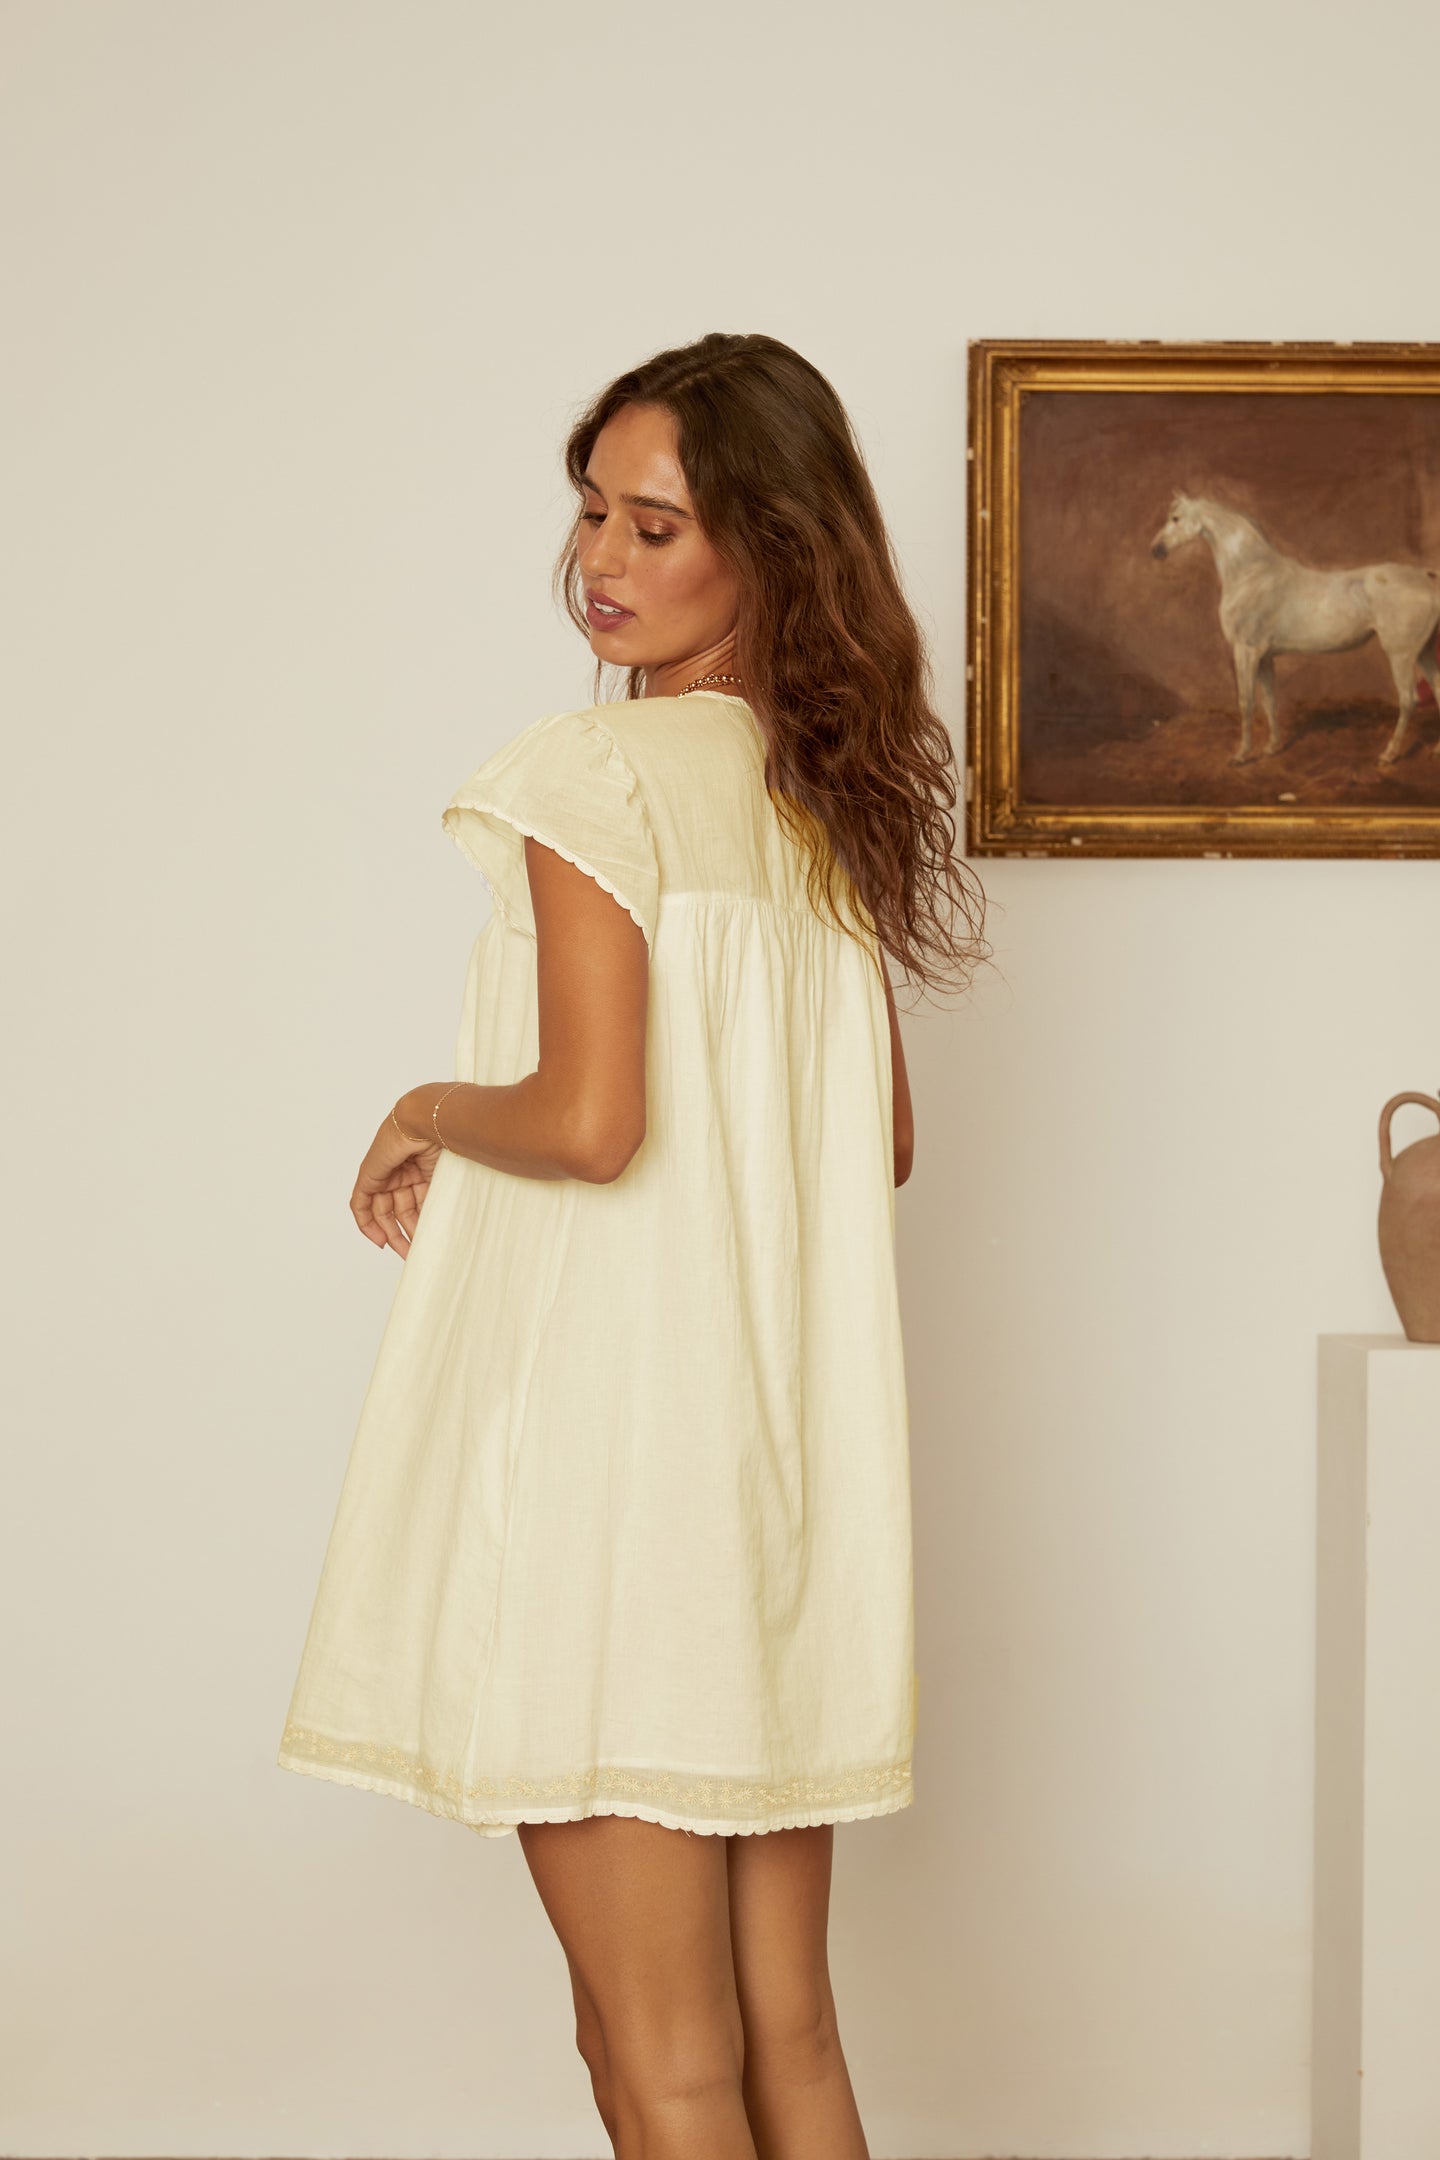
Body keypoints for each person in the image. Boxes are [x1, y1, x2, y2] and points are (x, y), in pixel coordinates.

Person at [276, 331, 989, 2157]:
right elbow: (884, 1138)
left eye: (654, 526)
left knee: (653, 2057)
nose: (600, 558)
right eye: (592, 511)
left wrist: (431, 1105)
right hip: (767, 1501)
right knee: (787, 2040)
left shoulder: (592, 775)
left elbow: (593, 1122)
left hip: (614, 1497)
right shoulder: (817, 800)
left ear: (770, 548)